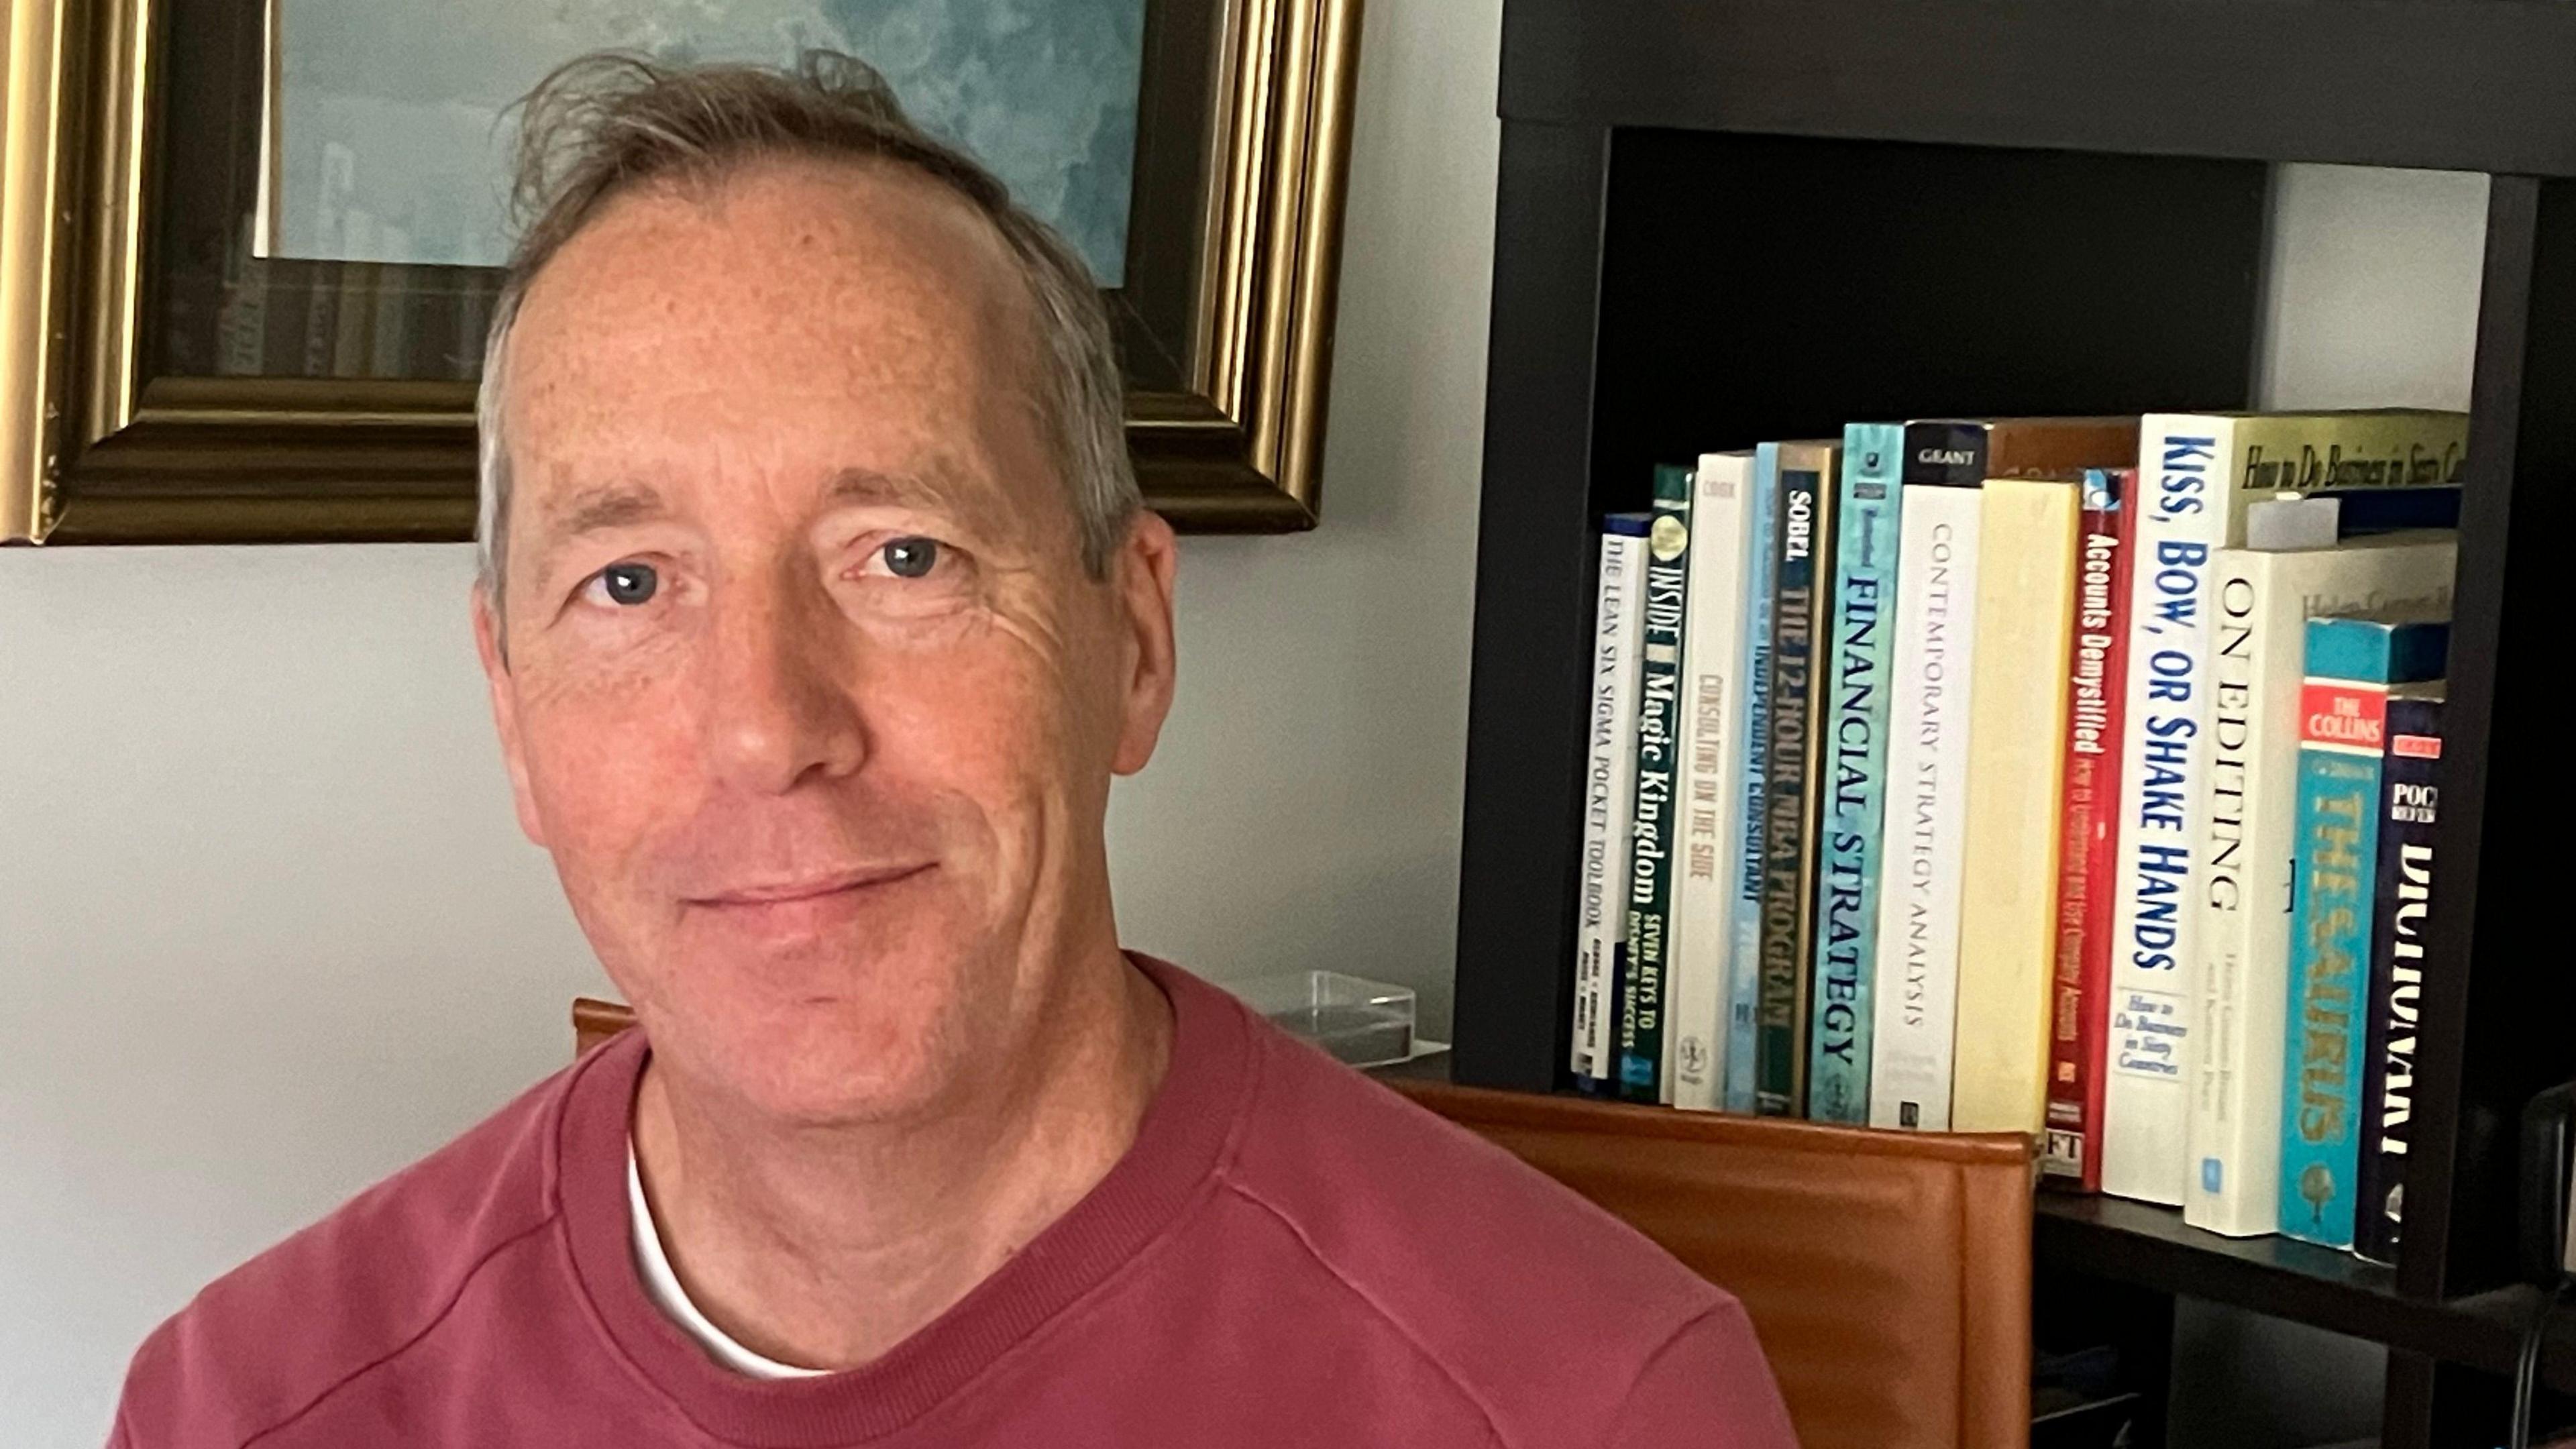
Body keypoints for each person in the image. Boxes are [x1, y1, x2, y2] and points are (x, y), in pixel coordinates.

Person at [108, 53, 1796, 1448]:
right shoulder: (250, 1407)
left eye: (904, 557)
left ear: (1130, 642)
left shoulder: (1583, 1400)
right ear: (512, 716)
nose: (770, 727)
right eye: (628, 583)